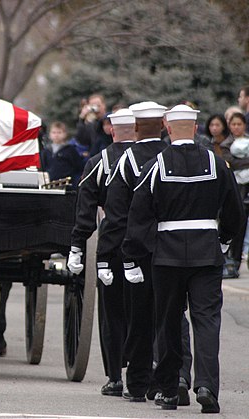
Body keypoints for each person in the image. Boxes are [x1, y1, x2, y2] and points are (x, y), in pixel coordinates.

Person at [122, 104, 244, 412]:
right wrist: (225, 240)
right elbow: (235, 209)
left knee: (170, 321)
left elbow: (139, 213)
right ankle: (207, 386)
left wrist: (133, 254)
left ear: (166, 125)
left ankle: (172, 385)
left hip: (167, 255)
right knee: (206, 320)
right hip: (206, 251)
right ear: (196, 126)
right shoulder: (216, 163)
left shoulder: (157, 164)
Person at [97, 101, 168, 402]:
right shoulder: (172, 156)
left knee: (139, 318)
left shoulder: (127, 160)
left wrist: (106, 256)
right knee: (172, 317)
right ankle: (173, 379)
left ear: (136, 127)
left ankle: (138, 383)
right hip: (174, 248)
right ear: (164, 125)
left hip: (137, 250)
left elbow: (115, 215)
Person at [67, 108, 136, 397]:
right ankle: (143, 371)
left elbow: (86, 207)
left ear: (111, 129)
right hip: (149, 243)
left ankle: (114, 376)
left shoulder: (100, 162)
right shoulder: (152, 159)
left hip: (112, 241)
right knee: (145, 310)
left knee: (112, 313)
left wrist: (78, 243)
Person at [220, 112, 249, 278]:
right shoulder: (226, 144)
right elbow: (231, 163)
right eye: (234, 124)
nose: (237, 127)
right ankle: (233, 262)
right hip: (237, 189)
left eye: (240, 124)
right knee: (239, 224)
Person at [40, 121, 84, 187]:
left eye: (59, 132)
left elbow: (78, 167)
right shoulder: (46, 151)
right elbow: (43, 167)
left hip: (67, 185)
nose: (56, 135)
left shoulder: (70, 150)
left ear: (65, 134)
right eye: (54, 132)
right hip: (49, 184)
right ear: (50, 134)